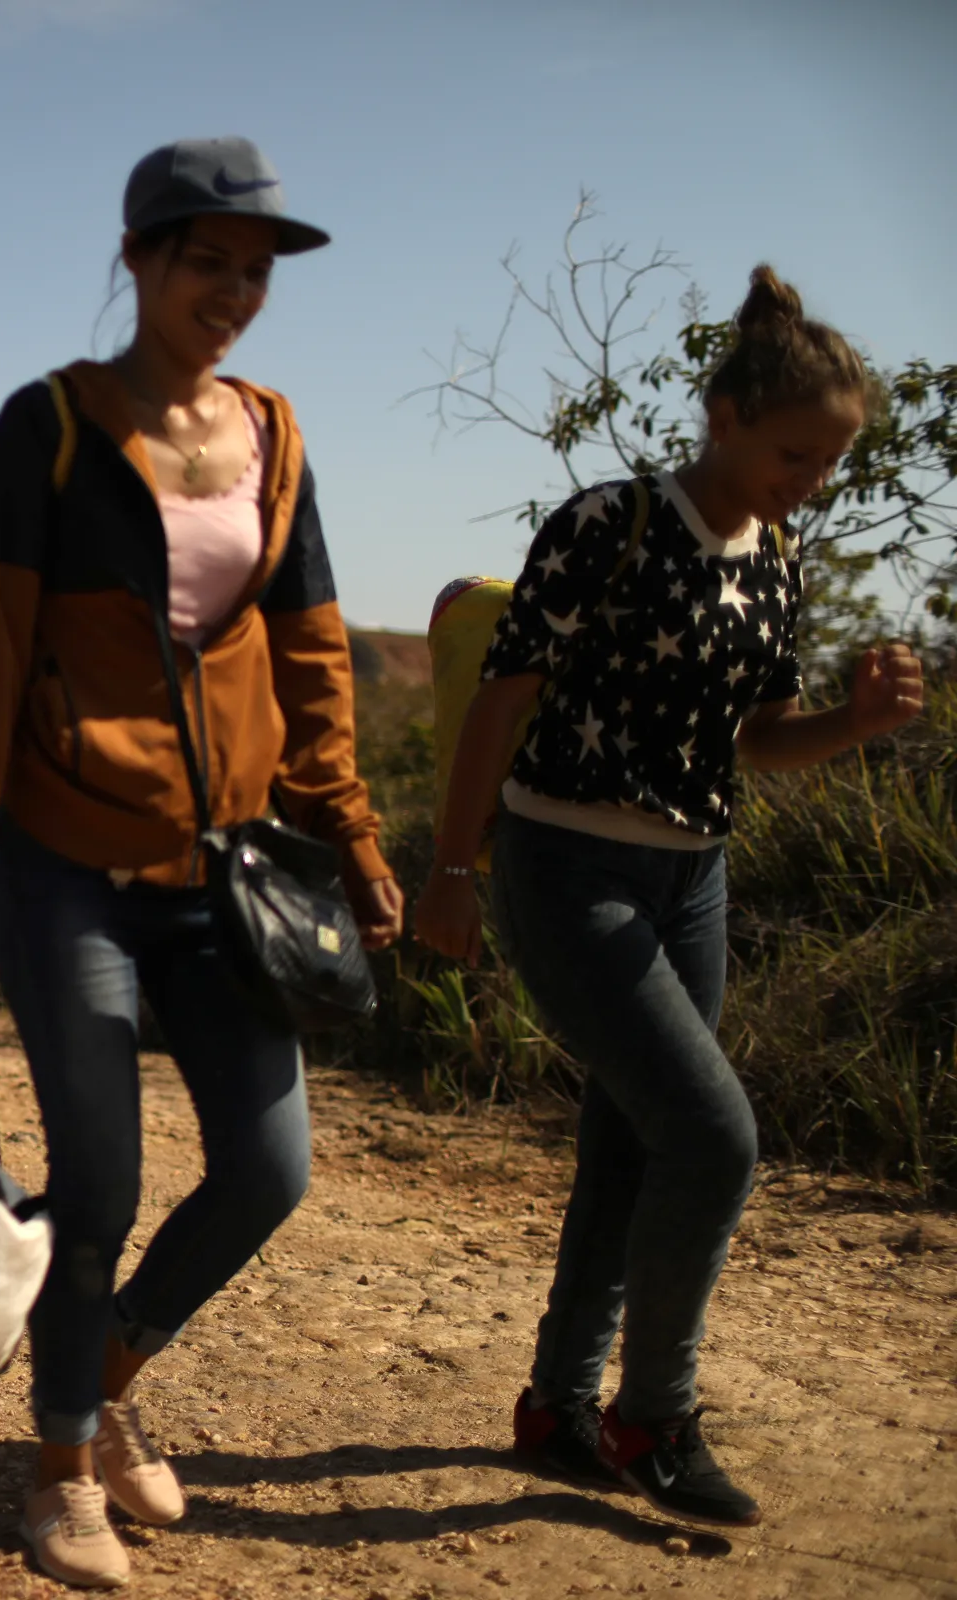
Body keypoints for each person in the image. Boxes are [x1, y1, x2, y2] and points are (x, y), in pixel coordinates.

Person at [0, 138, 402, 1588]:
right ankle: (62, 1470)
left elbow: (310, 650)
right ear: (137, 260)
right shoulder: (51, 425)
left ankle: (103, 1369)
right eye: (208, 264)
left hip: (229, 866)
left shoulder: (276, 434)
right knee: (104, 1180)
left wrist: (353, 830)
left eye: (254, 273)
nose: (234, 295)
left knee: (269, 1167)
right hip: (69, 860)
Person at [415, 267, 928, 1528]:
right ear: (726, 416)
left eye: (829, 461)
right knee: (715, 1136)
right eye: (795, 453)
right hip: (566, 865)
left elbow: (754, 740)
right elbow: (502, 702)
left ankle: (558, 1406)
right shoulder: (609, 525)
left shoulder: (780, 559)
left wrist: (852, 725)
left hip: (692, 874)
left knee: (632, 1143)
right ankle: (656, 1411)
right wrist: (452, 868)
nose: (810, 479)